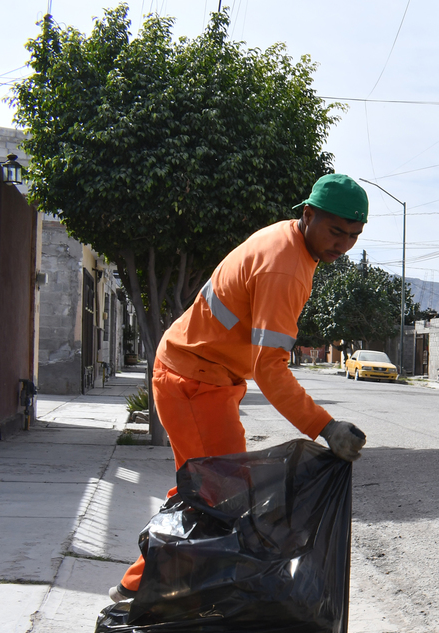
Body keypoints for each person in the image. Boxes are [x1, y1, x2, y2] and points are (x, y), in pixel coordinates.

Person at [110, 173, 370, 601]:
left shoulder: (289, 243)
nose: (343, 244)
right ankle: (135, 593)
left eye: (353, 235)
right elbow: (269, 369)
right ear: (308, 215)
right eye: (335, 230)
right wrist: (325, 427)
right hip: (193, 381)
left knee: (212, 493)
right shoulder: (285, 267)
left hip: (204, 378)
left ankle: (178, 591)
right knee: (212, 496)